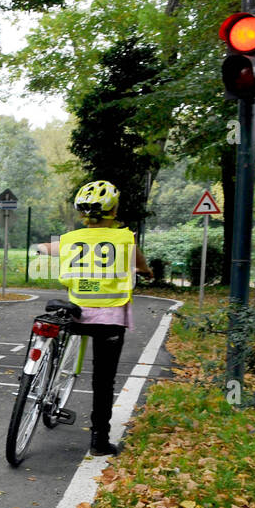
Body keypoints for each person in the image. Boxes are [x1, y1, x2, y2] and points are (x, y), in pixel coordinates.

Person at [56, 179, 152, 456]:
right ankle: (99, 440)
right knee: (103, 379)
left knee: (58, 352)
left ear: (81, 213)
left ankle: (48, 392)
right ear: (114, 211)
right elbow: (139, 264)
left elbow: (67, 277)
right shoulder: (124, 238)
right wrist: (145, 271)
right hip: (110, 317)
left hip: (75, 312)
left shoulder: (69, 240)